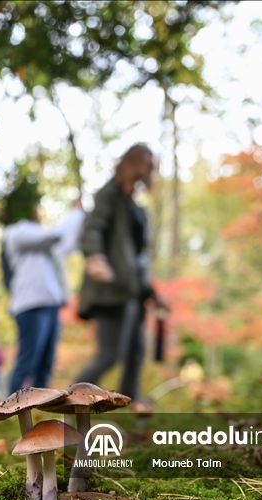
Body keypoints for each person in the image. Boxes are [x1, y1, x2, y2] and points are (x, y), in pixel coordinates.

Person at [74, 144, 161, 401]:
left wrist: (151, 291)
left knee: (135, 356)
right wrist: (95, 257)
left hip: (132, 291)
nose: (149, 170)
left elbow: (136, 257)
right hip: (110, 290)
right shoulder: (108, 195)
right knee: (109, 355)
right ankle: (68, 402)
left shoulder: (131, 203)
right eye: (147, 163)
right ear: (134, 162)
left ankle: (129, 410)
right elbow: (92, 228)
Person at [2, 179, 83, 393]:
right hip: (31, 306)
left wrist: (83, 217)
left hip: (51, 305)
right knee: (27, 362)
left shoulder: (43, 242)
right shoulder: (17, 232)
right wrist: (74, 213)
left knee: (45, 365)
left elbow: (70, 243)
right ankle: (10, 411)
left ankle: (40, 419)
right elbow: (55, 235)